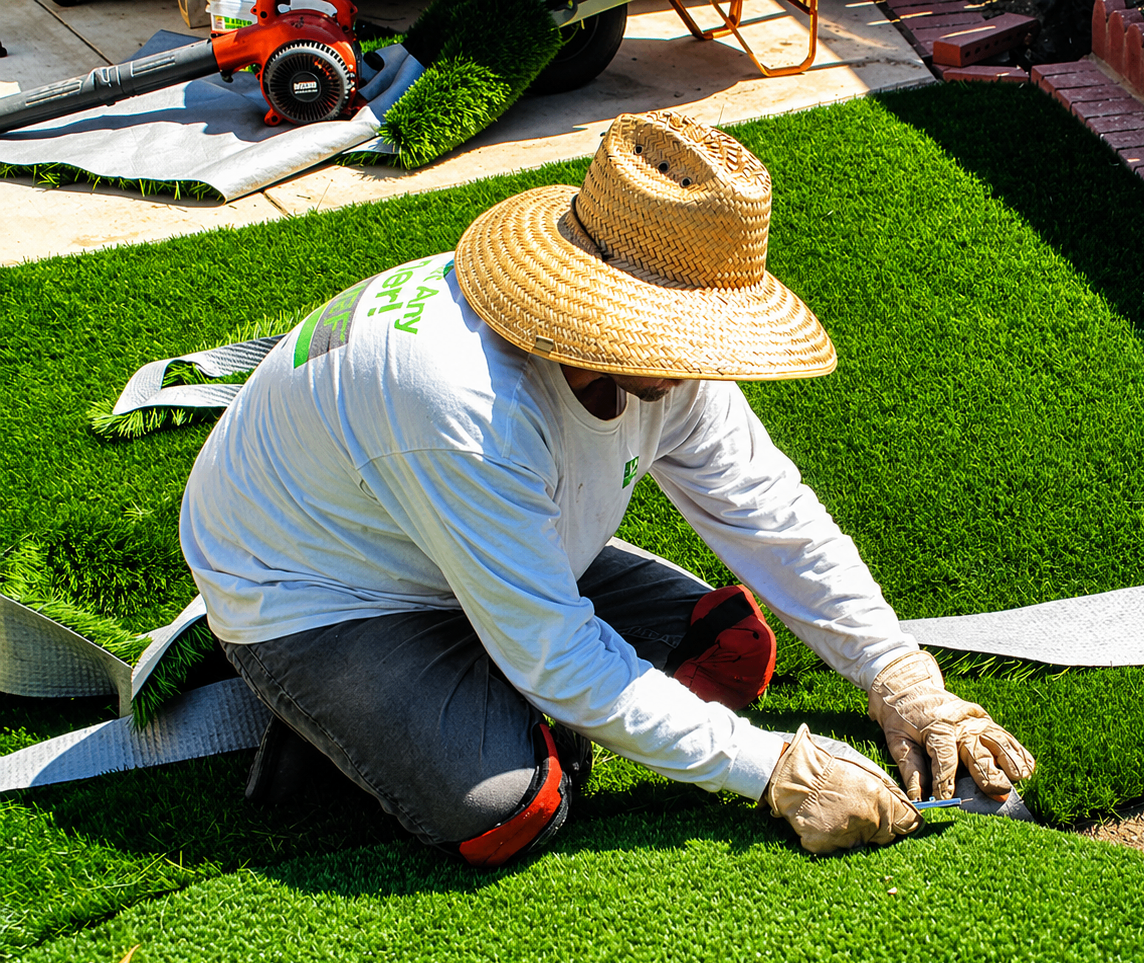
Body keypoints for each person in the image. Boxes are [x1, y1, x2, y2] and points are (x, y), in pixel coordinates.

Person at [179, 109, 1035, 863]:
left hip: (452, 523)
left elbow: (768, 511)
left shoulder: (671, 363)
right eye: (668, 327)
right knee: (507, 810)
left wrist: (901, 679)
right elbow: (554, 656)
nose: (691, 353)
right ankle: (322, 713)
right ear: (588, 295)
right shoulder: (462, 402)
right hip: (315, 591)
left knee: (728, 654)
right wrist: (774, 773)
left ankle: (466, 666)